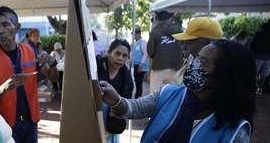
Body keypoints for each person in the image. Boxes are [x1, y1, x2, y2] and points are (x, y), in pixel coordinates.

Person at [100, 39, 256, 142]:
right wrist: (116, 101)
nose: (193, 65)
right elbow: (136, 108)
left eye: (202, 62)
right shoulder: (169, 93)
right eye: (195, 59)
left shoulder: (235, 132)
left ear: (224, 77)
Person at [0, 6, 58, 143]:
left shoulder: (29, 50)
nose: (0, 31)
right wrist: (5, 87)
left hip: (31, 122)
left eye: (5, 25)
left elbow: (53, 78)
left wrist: (52, 63)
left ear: (17, 28)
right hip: (5, 125)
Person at [96, 38, 134, 143]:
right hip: (93, 117)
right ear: (109, 52)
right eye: (117, 54)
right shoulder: (96, 65)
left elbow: (127, 99)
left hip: (111, 122)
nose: (120, 59)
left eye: (124, 56)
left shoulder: (126, 78)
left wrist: (120, 108)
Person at [172, 17, 223, 84]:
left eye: (189, 42)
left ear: (209, 44)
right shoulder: (190, 63)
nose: (183, 47)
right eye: (183, 42)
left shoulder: (218, 74)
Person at [147, 10, 183, 93]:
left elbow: (150, 51)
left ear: (158, 20)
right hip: (175, 67)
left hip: (159, 67)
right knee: (172, 95)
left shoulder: (155, 31)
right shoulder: (178, 31)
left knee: (154, 95)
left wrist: (157, 56)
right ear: (169, 19)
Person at [250, 22, 270, 94]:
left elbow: (253, 44)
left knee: (254, 73)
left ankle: (253, 88)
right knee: (264, 74)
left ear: (262, 28)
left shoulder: (258, 34)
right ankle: (260, 89)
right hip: (268, 57)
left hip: (258, 55)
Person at [132, 26, 149, 98]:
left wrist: (141, 65)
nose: (134, 36)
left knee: (139, 82)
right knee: (136, 81)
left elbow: (145, 53)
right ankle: (137, 96)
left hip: (140, 65)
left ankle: (138, 97)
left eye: (135, 34)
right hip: (135, 64)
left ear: (139, 34)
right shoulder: (135, 43)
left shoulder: (142, 42)